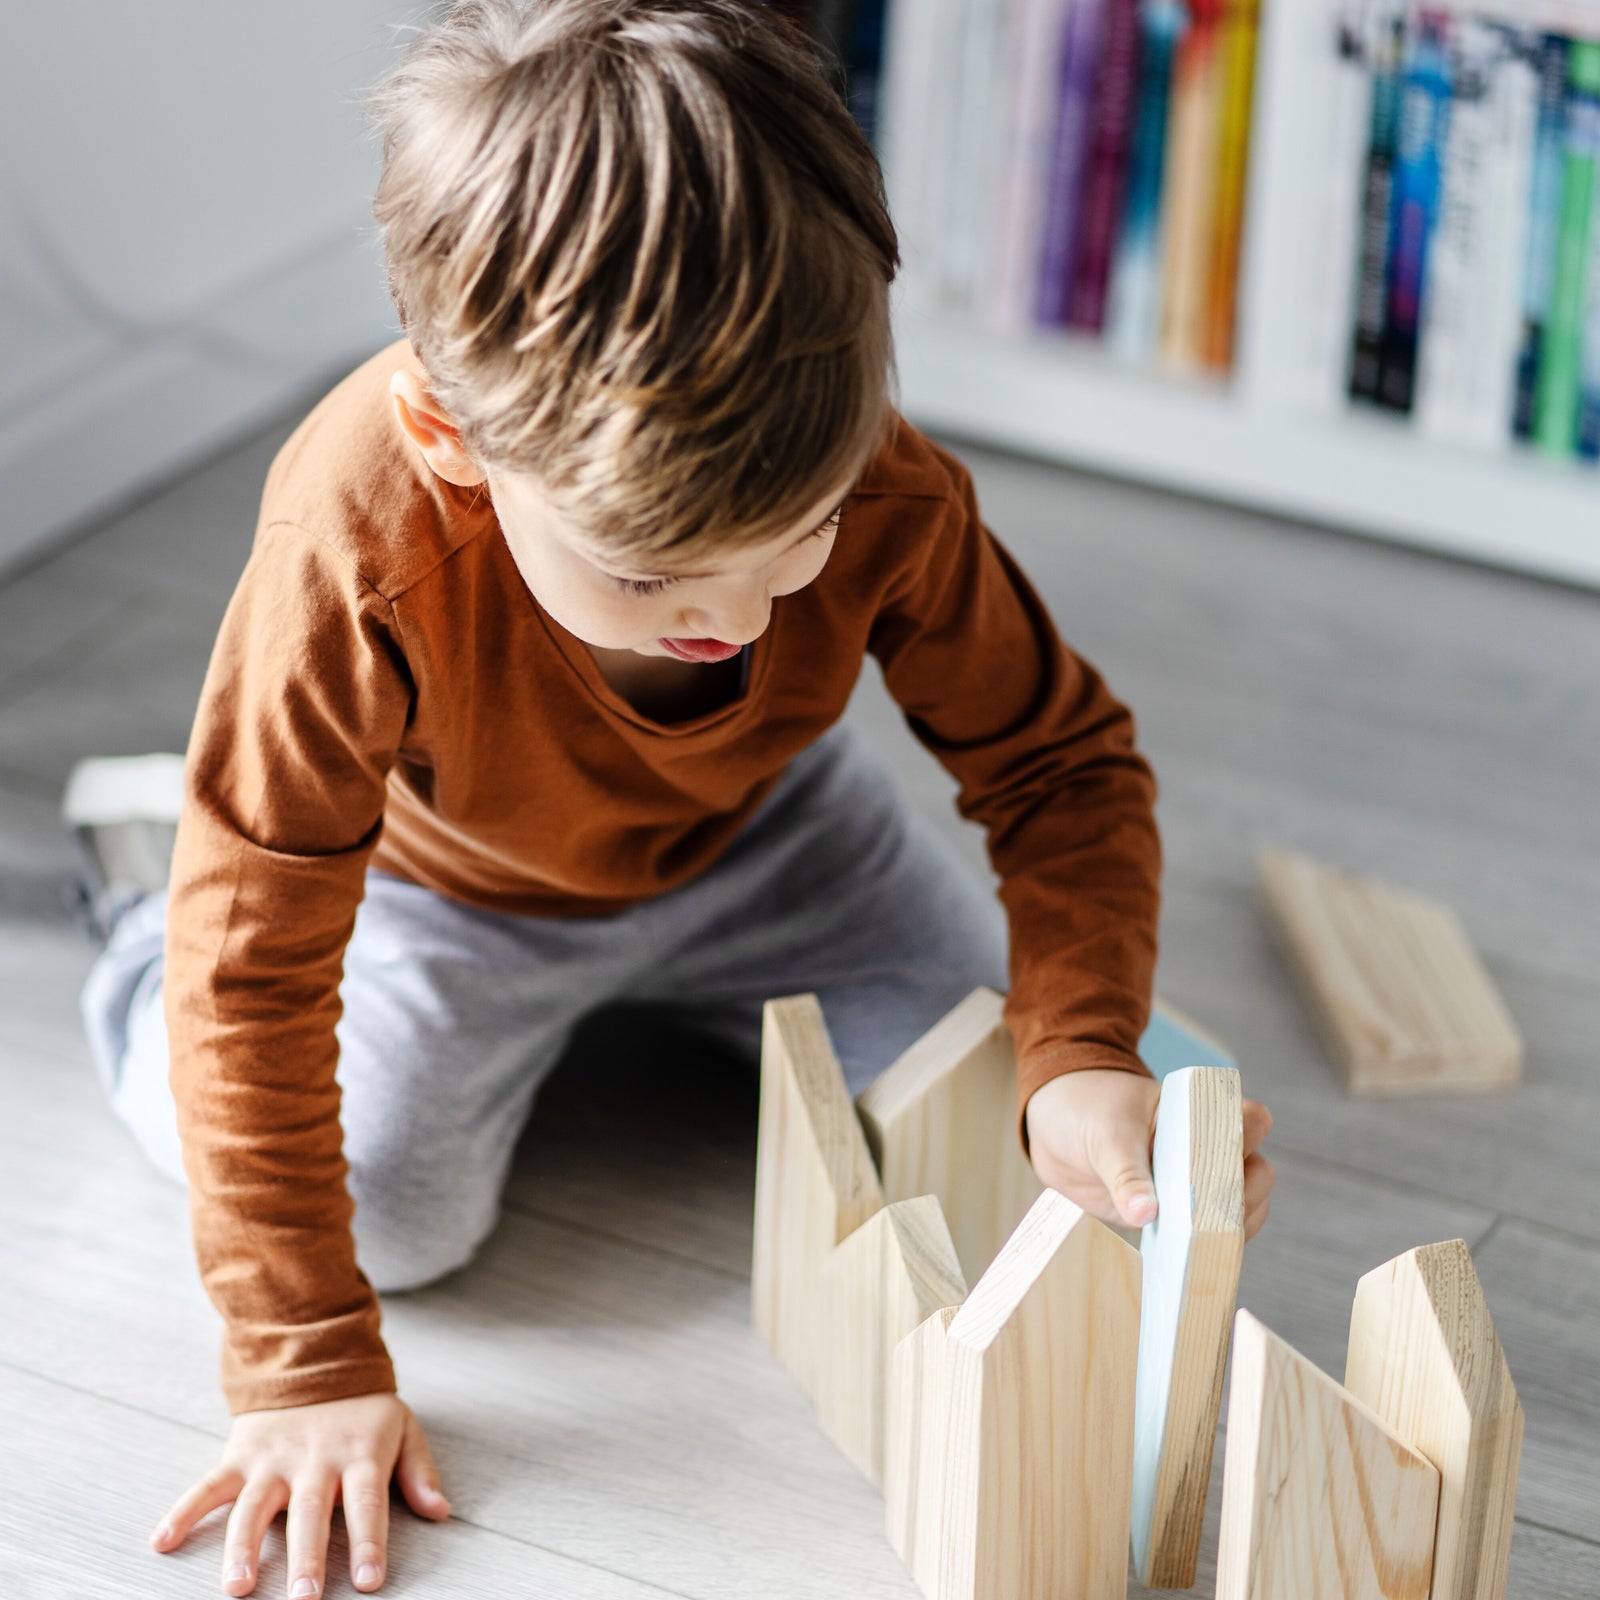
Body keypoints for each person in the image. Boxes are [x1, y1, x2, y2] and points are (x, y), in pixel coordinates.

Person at [70, 1, 1274, 1594]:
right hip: (449, 888)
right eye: (648, 572)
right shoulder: (357, 536)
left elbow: (1057, 763)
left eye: (799, 542)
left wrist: (1082, 1046)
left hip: (776, 841)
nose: (746, 622)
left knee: (992, 1137)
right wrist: (301, 1360)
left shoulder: (887, 484)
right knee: (395, 1218)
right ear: (454, 441)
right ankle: (144, 897)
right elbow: (260, 969)